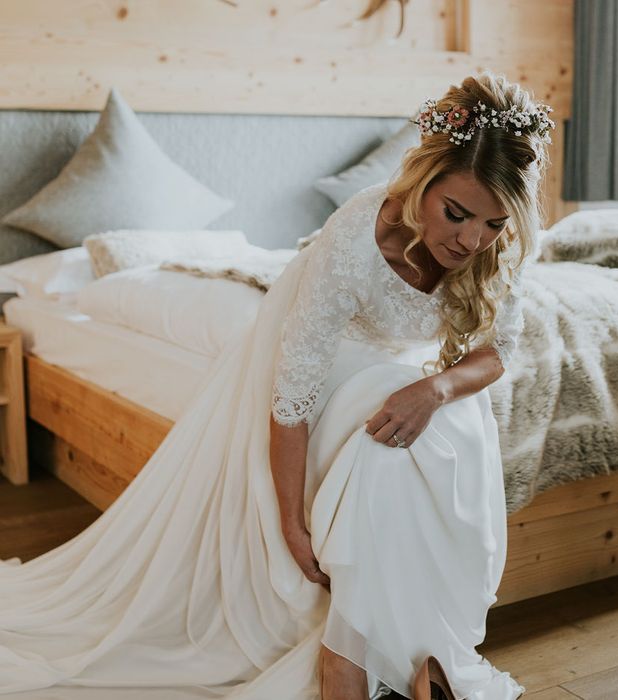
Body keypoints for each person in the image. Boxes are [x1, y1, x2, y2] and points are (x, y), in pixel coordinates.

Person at [0, 70, 553, 700]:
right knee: (386, 437)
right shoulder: (356, 235)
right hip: (327, 382)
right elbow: (294, 391)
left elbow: (497, 352)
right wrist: (291, 520)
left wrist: (434, 391)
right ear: (422, 180)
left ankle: (360, 658)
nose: (471, 240)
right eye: (455, 214)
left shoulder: (497, 242)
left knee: (426, 425)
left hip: (411, 388)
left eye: (493, 224)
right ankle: (406, 667)